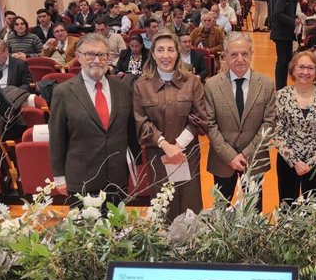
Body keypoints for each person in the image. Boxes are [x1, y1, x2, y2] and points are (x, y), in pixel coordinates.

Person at [48, 33, 136, 203]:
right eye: (90, 54)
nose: (97, 60)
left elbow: (130, 129)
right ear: (79, 57)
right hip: (82, 179)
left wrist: (136, 165)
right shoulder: (63, 92)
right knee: (84, 229)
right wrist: (59, 176)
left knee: (116, 229)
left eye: (102, 55)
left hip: (117, 178)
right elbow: (57, 138)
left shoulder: (122, 88)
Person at [133, 30, 207, 221]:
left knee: (189, 205)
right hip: (158, 154)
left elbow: (200, 117)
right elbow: (141, 122)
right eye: (160, 50)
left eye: (170, 50)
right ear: (153, 54)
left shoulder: (192, 82)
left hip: (187, 153)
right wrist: (166, 145)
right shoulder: (142, 85)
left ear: (178, 53)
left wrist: (178, 146)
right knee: (164, 204)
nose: (165, 55)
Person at [204, 32, 275, 208]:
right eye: (234, 54)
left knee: (254, 213)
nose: (240, 59)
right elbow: (210, 125)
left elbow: (269, 123)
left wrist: (245, 154)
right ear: (225, 56)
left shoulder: (267, 84)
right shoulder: (212, 85)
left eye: (244, 53)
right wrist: (230, 156)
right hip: (222, 160)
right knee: (221, 212)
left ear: (251, 53)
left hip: (254, 160)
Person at [275, 51, 316, 203]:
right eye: (301, 67)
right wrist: (294, 161)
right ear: (293, 70)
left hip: (315, 163)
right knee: (287, 207)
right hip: (287, 161)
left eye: (310, 68)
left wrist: (312, 161)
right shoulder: (281, 95)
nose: (305, 72)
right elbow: (276, 131)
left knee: (313, 210)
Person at [271, 0, 306, 90]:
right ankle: (279, 87)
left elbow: (286, 12)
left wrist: (295, 17)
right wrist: (293, 21)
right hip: (281, 33)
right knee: (281, 61)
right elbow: (278, 13)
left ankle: (283, 85)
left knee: (286, 60)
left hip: (287, 33)